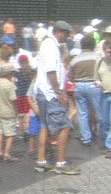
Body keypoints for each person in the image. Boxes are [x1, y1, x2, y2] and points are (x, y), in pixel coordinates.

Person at [34, 20, 78, 175]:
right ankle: (60, 162)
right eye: (66, 34)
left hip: (42, 91)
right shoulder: (51, 46)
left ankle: (41, 160)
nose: (67, 37)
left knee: (44, 126)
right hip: (50, 93)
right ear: (59, 32)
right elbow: (51, 72)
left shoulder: (47, 44)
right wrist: (59, 92)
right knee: (64, 126)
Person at [69, 35, 101, 147]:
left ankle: (86, 138)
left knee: (82, 113)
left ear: (81, 45)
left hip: (79, 85)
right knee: (99, 111)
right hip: (94, 84)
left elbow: (70, 77)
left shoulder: (75, 59)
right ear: (93, 45)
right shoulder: (98, 57)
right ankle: (102, 136)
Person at [0, 62, 19, 161]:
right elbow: (13, 100)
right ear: (9, 73)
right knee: (10, 134)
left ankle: (0, 151)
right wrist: (16, 111)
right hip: (8, 112)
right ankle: (7, 154)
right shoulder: (9, 85)